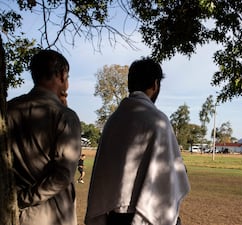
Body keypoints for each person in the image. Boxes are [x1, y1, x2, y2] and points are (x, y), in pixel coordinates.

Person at [85, 58, 190, 225]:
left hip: (113, 217)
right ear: (155, 85)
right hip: (146, 215)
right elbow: (172, 175)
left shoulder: (113, 121)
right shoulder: (158, 121)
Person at [7, 49, 82, 225]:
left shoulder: (9, 110)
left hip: (16, 216)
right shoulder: (64, 116)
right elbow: (62, 176)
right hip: (52, 215)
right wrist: (24, 199)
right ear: (62, 75)